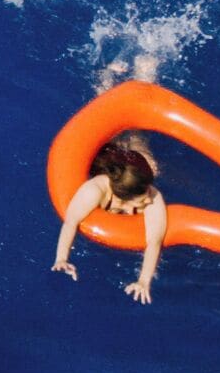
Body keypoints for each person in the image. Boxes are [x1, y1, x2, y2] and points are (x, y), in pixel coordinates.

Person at [53, 127, 171, 304]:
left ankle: (135, 132)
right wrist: (62, 258)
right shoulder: (95, 191)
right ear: (124, 198)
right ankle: (120, 133)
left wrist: (143, 281)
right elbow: (71, 222)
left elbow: (154, 242)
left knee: (148, 162)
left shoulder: (153, 196)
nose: (149, 200)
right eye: (142, 200)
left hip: (133, 170)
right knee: (112, 151)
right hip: (114, 166)